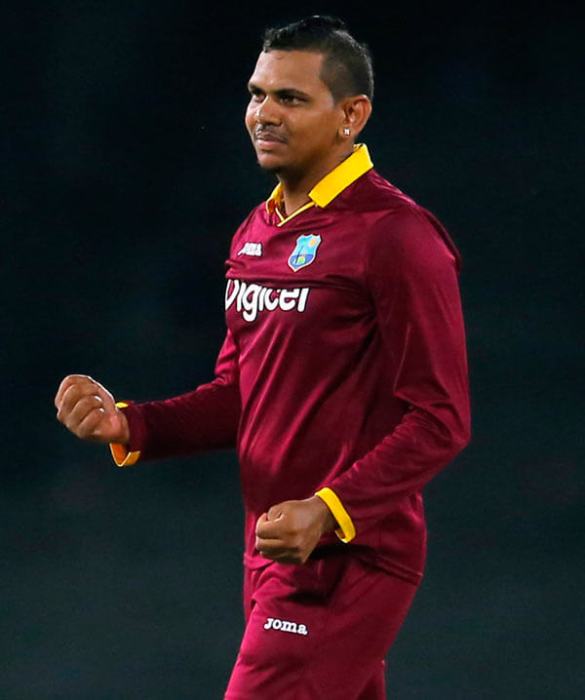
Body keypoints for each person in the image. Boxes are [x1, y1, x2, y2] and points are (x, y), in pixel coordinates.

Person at [54, 15, 471, 699]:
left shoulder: (396, 236)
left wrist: (330, 509)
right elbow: (242, 392)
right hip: (272, 548)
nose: (263, 114)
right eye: (257, 94)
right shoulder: (256, 231)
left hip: (345, 555)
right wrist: (132, 424)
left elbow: (440, 418)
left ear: (351, 115)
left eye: (291, 98)